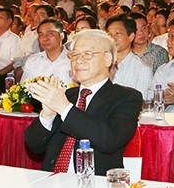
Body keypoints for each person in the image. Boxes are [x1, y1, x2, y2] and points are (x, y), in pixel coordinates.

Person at [24, 29, 142, 175]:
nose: (78, 60)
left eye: (87, 54)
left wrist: (64, 108)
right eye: (74, 55)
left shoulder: (126, 97)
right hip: (53, 182)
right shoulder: (67, 95)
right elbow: (34, 146)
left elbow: (110, 140)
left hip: (95, 184)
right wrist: (47, 114)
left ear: (108, 59)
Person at [105, 14, 153, 98]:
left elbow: (138, 104)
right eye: (109, 34)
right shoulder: (101, 65)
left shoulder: (142, 70)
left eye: (117, 33)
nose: (112, 38)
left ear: (131, 36)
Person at [20, 18, 72, 84]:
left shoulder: (72, 60)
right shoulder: (33, 61)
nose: (44, 38)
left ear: (61, 36)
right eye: (41, 34)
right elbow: (24, 88)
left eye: (50, 34)